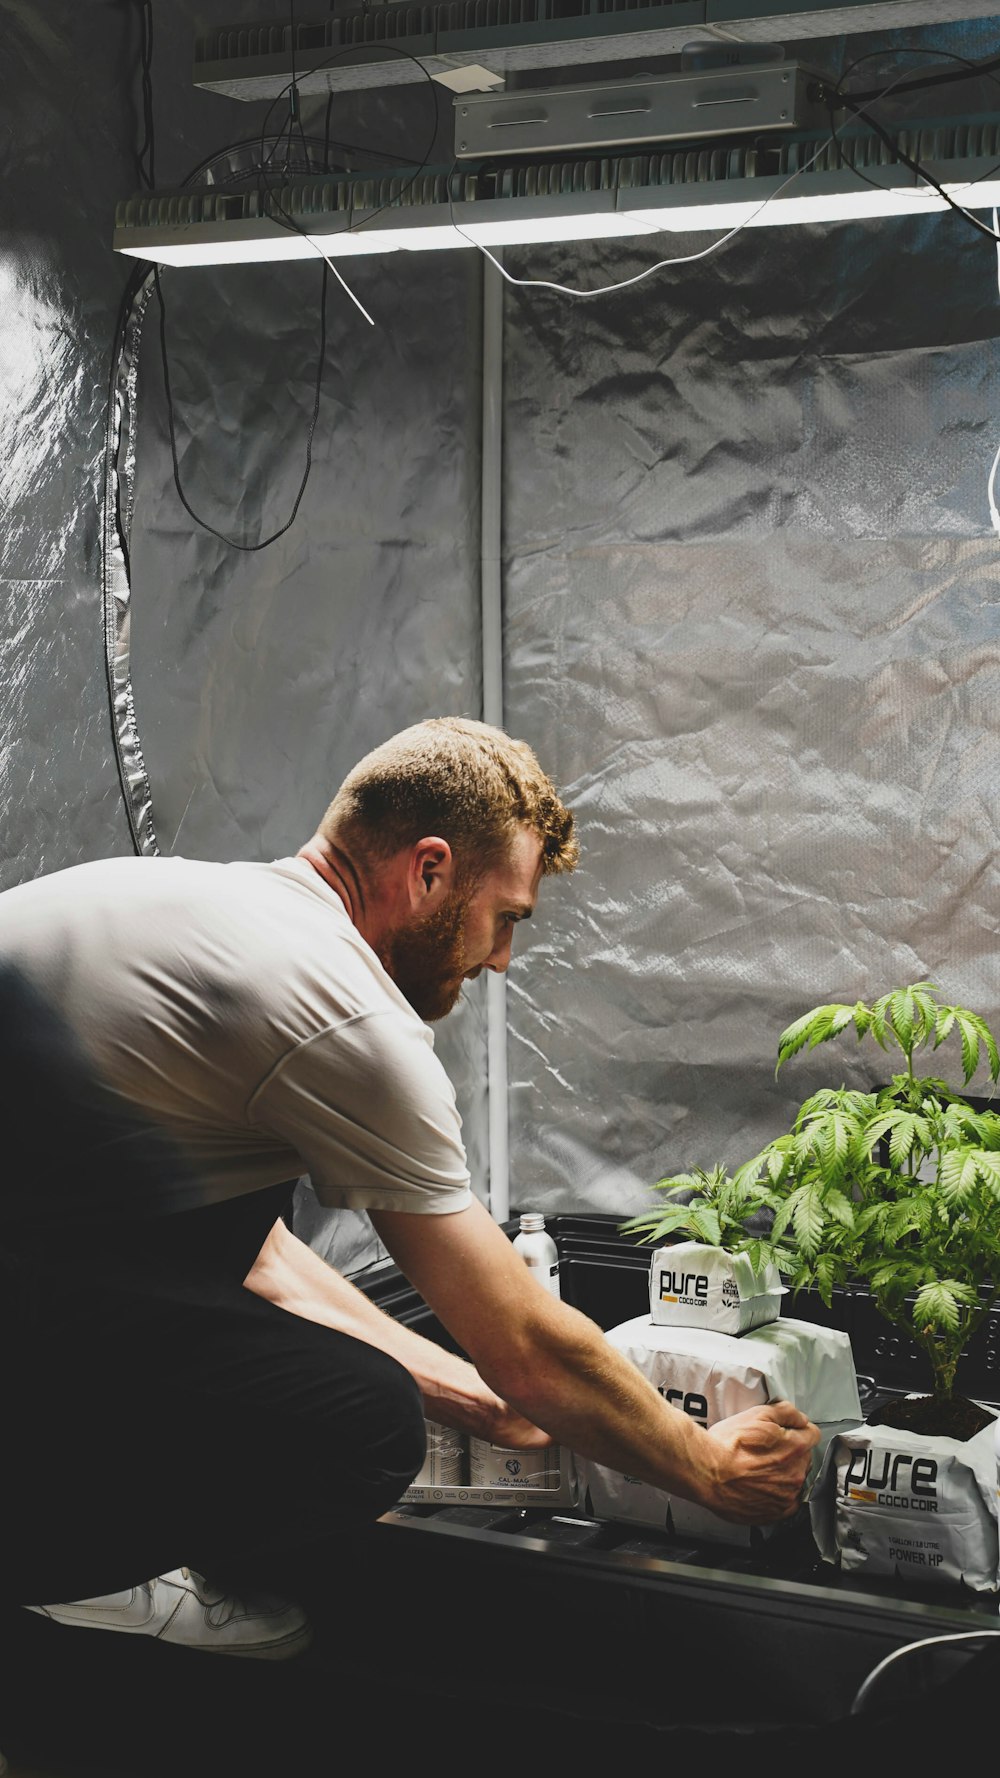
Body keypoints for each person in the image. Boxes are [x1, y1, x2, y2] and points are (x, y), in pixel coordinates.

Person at [0, 716, 818, 1660]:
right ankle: (72, 1565)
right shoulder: (343, 1012)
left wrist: (480, 1402)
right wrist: (710, 1471)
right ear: (428, 870)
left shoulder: (182, 901)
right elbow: (528, 1345)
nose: (502, 959)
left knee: (231, 1224)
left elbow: (234, 1254)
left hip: (43, 1258)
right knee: (359, 1421)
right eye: (505, 916)